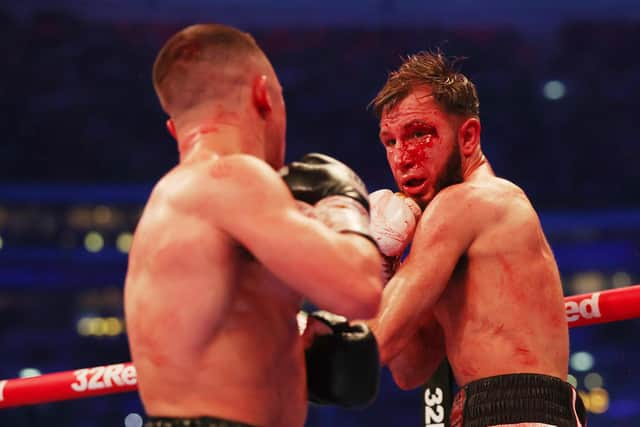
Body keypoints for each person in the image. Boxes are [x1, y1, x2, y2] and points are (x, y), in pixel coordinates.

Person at [124, 24, 383, 427]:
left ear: (175, 129)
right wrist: (341, 202)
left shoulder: (178, 198)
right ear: (263, 97)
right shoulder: (232, 178)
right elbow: (361, 289)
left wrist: (300, 345)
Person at [366, 51, 587, 426]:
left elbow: (375, 343)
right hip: (490, 410)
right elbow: (411, 369)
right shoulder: (451, 231)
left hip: (519, 413)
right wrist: (382, 267)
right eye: (390, 141)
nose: (403, 157)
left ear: (467, 136)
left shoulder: (468, 202)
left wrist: (289, 347)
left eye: (419, 133)